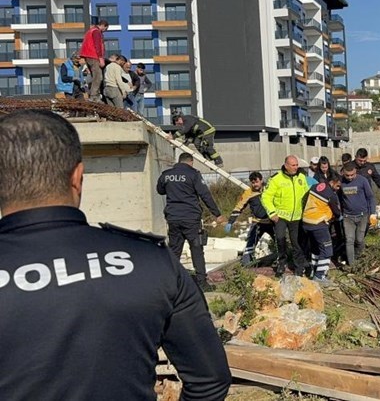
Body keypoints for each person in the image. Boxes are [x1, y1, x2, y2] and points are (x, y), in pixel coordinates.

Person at [0, 110, 231, 400]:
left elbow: (161, 187)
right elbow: (210, 381)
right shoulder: (151, 263)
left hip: (174, 217)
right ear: (78, 177)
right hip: (188, 220)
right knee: (194, 251)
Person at [156, 152, 225, 290]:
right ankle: (202, 283)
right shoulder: (194, 174)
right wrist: (217, 214)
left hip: (173, 218)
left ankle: (171, 284)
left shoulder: (166, 174)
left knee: (174, 251)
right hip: (191, 219)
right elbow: (205, 194)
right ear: (191, 162)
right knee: (197, 250)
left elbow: (160, 190)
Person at [261, 155, 311, 277]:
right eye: (293, 165)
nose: (296, 167)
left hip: (297, 217)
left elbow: (311, 192)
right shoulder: (276, 179)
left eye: (297, 165)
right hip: (281, 216)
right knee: (280, 239)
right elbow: (265, 197)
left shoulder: (302, 177)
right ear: (286, 165)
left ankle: (299, 267)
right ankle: (281, 263)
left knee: (296, 243)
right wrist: (272, 213)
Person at [301, 172, 342, 285]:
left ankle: (314, 271)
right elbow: (336, 211)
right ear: (332, 182)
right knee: (327, 250)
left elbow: (304, 200)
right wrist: (338, 217)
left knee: (316, 249)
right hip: (319, 223)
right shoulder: (331, 194)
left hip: (306, 222)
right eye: (338, 186)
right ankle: (320, 276)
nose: (338, 188)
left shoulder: (315, 186)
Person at [225, 171, 274, 266]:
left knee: (280, 242)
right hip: (258, 222)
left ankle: (284, 259)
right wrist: (230, 222)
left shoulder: (269, 189)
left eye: (256, 182)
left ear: (261, 180)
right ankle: (246, 264)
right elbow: (238, 207)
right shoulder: (248, 193)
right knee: (250, 244)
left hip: (272, 222)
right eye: (252, 182)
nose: (255, 184)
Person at [338, 161, 376, 266]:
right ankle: (352, 265)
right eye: (347, 175)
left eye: (352, 175)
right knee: (349, 240)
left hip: (362, 216)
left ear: (355, 172)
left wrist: (372, 213)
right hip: (347, 217)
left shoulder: (362, 181)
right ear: (343, 173)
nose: (350, 177)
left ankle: (361, 259)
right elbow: (338, 198)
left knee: (359, 240)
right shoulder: (341, 182)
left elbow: (370, 197)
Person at [79, 19, 108, 102]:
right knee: (98, 77)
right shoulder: (96, 32)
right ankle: (94, 96)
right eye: (105, 29)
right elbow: (97, 45)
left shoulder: (90, 31)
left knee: (94, 76)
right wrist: (101, 58)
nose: (104, 31)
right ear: (103, 25)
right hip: (93, 56)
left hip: (88, 56)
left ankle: (95, 94)